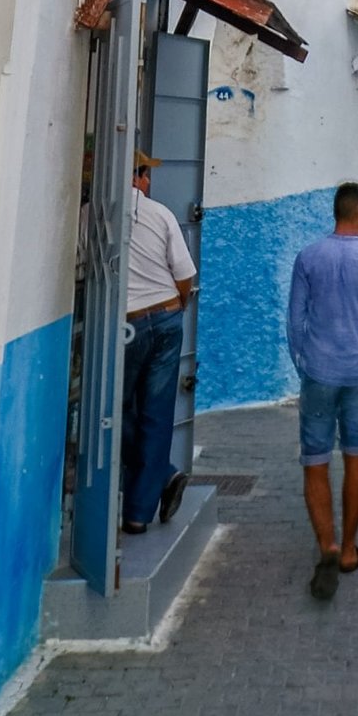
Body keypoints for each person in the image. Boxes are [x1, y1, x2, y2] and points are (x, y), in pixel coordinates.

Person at [286, 181, 358, 600]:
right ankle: (349, 550)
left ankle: (327, 546)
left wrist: (303, 363)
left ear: (335, 212)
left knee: (315, 460)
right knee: (355, 456)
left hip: (319, 371)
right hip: (357, 373)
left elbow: (295, 321)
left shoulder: (308, 257)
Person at [120, 152, 197, 534]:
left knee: (112, 410)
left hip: (126, 325)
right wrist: (178, 304)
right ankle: (140, 510)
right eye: (144, 174)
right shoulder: (161, 213)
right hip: (166, 317)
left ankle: (162, 477)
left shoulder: (92, 214)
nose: (148, 181)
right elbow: (184, 273)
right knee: (156, 414)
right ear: (136, 177)